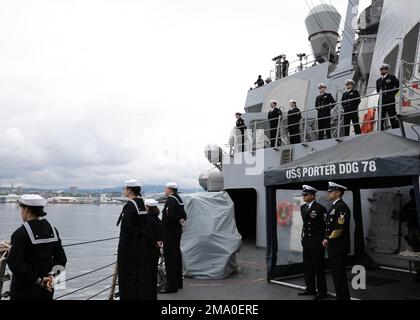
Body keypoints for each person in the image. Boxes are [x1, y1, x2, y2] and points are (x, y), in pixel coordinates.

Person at [7, 195, 67, 300]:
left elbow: (14, 264)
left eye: (21, 208)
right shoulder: (53, 230)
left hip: (23, 291)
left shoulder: (20, 233)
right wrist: (51, 276)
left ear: (26, 209)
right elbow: (62, 260)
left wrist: (38, 281)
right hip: (47, 290)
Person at [116, 179, 148, 300]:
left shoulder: (130, 206)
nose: (124, 191)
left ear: (129, 190)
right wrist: (140, 234)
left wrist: (135, 233)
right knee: (137, 276)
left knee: (126, 277)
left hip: (128, 247)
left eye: (125, 188)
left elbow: (126, 226)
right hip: (140, 245)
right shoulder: (142, 203)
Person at [298, 185, 328, 300]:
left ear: (312, 196)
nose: (304, 196)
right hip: (307, 241)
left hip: (317, 242)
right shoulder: (302, 207)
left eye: (306, 195)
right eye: (303, 195)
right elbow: (306, 225)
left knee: (318, 267)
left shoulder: (320, 208)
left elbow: (326, 226)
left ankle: (322, 291)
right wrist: (303, 239)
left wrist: (325, 239)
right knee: (308, 266)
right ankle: (310, 288)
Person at [323, 182, 351, 300]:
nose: (328, 193)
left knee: (339, 275)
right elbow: (329, 226)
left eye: (330, 191)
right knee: (335, 274)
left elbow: (339, 228)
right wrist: (326, 237)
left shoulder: (341, 207)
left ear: (338, 193)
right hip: (334, 246)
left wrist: (328, 240)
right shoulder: (335, 206)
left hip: (338, 246)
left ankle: (343, 298)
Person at [160, 182, 187, 294]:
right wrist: (181, 220)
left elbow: (169, 215)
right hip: (176, 233)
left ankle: (170, 287)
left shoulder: (171, 200)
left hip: (169, 233)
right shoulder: (179, 199)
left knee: (170, 259)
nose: (165, 191)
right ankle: (178, 283)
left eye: (166, 189)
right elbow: (184, 215)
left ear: (170, 189)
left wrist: (177, 220)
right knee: (176, 257)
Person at [141, 199, 163, 300]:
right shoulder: (158, 220)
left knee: (146, 274)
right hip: (156, 250)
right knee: (153, 274)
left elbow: (147, 233)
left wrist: (154, 241)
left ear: (148, 207)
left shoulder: (147, 219)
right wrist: (159, 241)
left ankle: (146, 295)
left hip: (147, 250)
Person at [400, 189, 420, 282]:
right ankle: (418, 273)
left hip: (413, 230)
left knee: (415, 252)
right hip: (412, 230)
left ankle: (418, 273)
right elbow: (402, 218)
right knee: (415, 252)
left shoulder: (408, 205)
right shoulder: (408, 205)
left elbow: (402, 218)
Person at [376, 63, 400, 130]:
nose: (382, 71)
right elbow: (378, 91)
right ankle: (380, 130)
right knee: (381, 116)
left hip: (390, 99)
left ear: (387, 70)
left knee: (392, 115)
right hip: (381, 100)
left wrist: (392, 93)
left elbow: (398, 86)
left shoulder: (392, 77)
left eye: (384, 69)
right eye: (381, 69)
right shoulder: (378, 81)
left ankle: (396, 129)